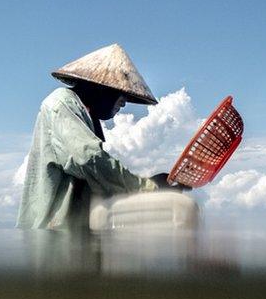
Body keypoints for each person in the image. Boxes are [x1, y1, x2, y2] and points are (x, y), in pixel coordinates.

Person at [17, 43, 177, 230]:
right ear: (102, 88)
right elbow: (89, 158)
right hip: (51, 236)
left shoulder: (88, 119)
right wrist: (149, 188)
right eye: (121, 94)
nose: (124, 103)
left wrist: (152, 185)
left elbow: (100, 178)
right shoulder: (61, 104)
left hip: (77, 238)